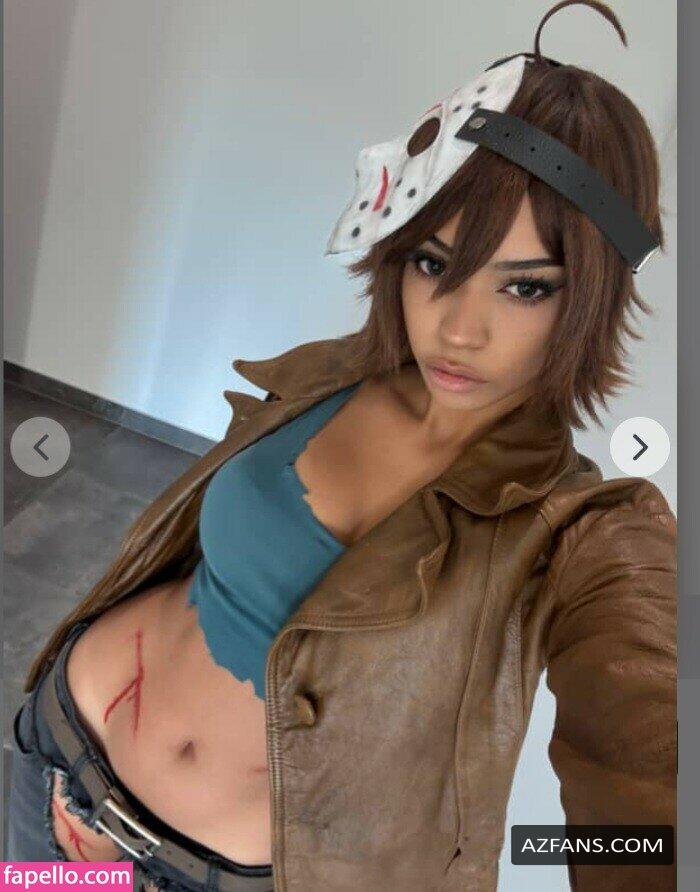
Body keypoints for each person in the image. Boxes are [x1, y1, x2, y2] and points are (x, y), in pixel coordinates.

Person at [7, 1, 676, 890]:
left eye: (525, 288)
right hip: (52, 759)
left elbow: (648, 779)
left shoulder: (584, 531)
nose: (458, 329)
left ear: (588, 298)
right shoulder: (330, 378)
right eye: (434, 264)